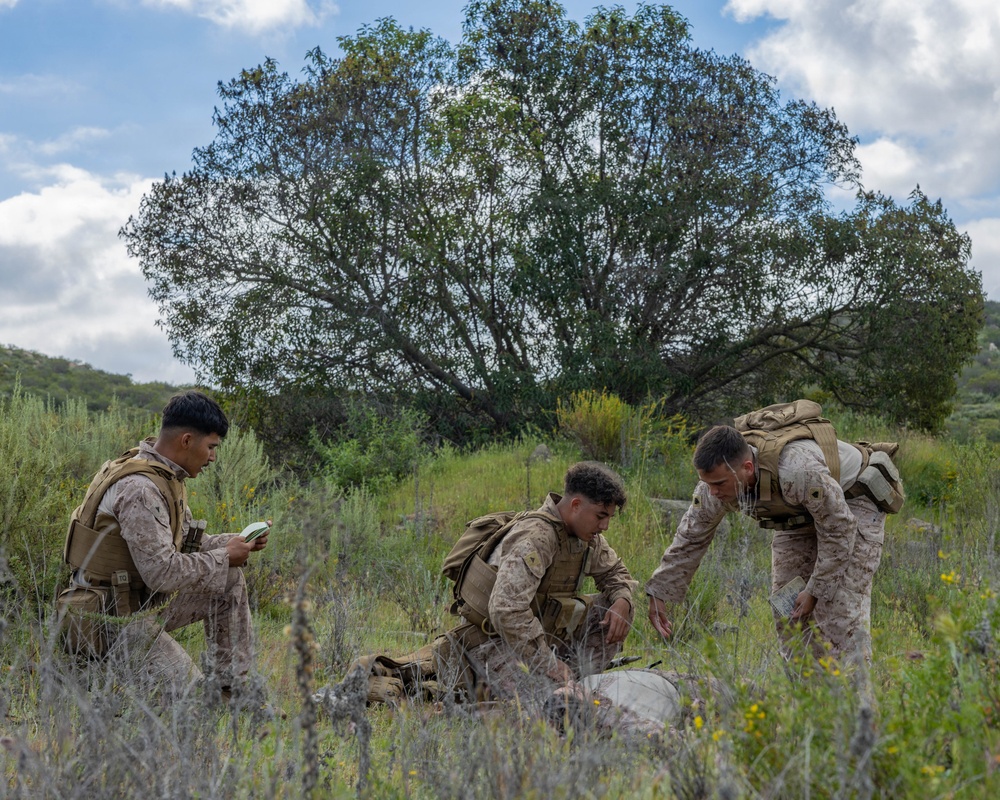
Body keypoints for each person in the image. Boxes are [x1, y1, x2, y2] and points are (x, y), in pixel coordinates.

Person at [646, 401, 901, 664]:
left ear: (746, 468)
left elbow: (839, 528)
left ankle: (852, 699)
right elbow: (690, 537)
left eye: (719, 484)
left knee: (838, 614)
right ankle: (804, 697)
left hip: (852, 500)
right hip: (797, 513)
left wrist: (815, 589)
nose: (713, 492)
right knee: (788, 611)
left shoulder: (797, 470)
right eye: (707, 484)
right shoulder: (714, 487)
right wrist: (660, 592)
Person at [58, 390, 269, 703]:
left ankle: (232, 692)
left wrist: (236, 544)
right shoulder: (140, 489)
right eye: (211, 447)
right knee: (192, 707)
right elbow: (163, 572)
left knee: (229, 581)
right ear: (186, 440)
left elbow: (182, 545)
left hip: (138, 606)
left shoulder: (161, 475)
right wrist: (225, 556)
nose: (213, 458)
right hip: (110, 622)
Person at [458, 461, 638, 703]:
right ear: (576, 505)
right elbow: (505, 610)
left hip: (541, 640)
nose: (604, 526)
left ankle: (574, 684)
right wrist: (548, 664)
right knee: (544, 705)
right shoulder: (536, 536)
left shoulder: (585, 536)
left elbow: (615, 572)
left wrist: (623, 600)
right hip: (492, 642)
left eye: (609, 518)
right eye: (600, 516)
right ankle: (560, 688)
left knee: (612, 607)